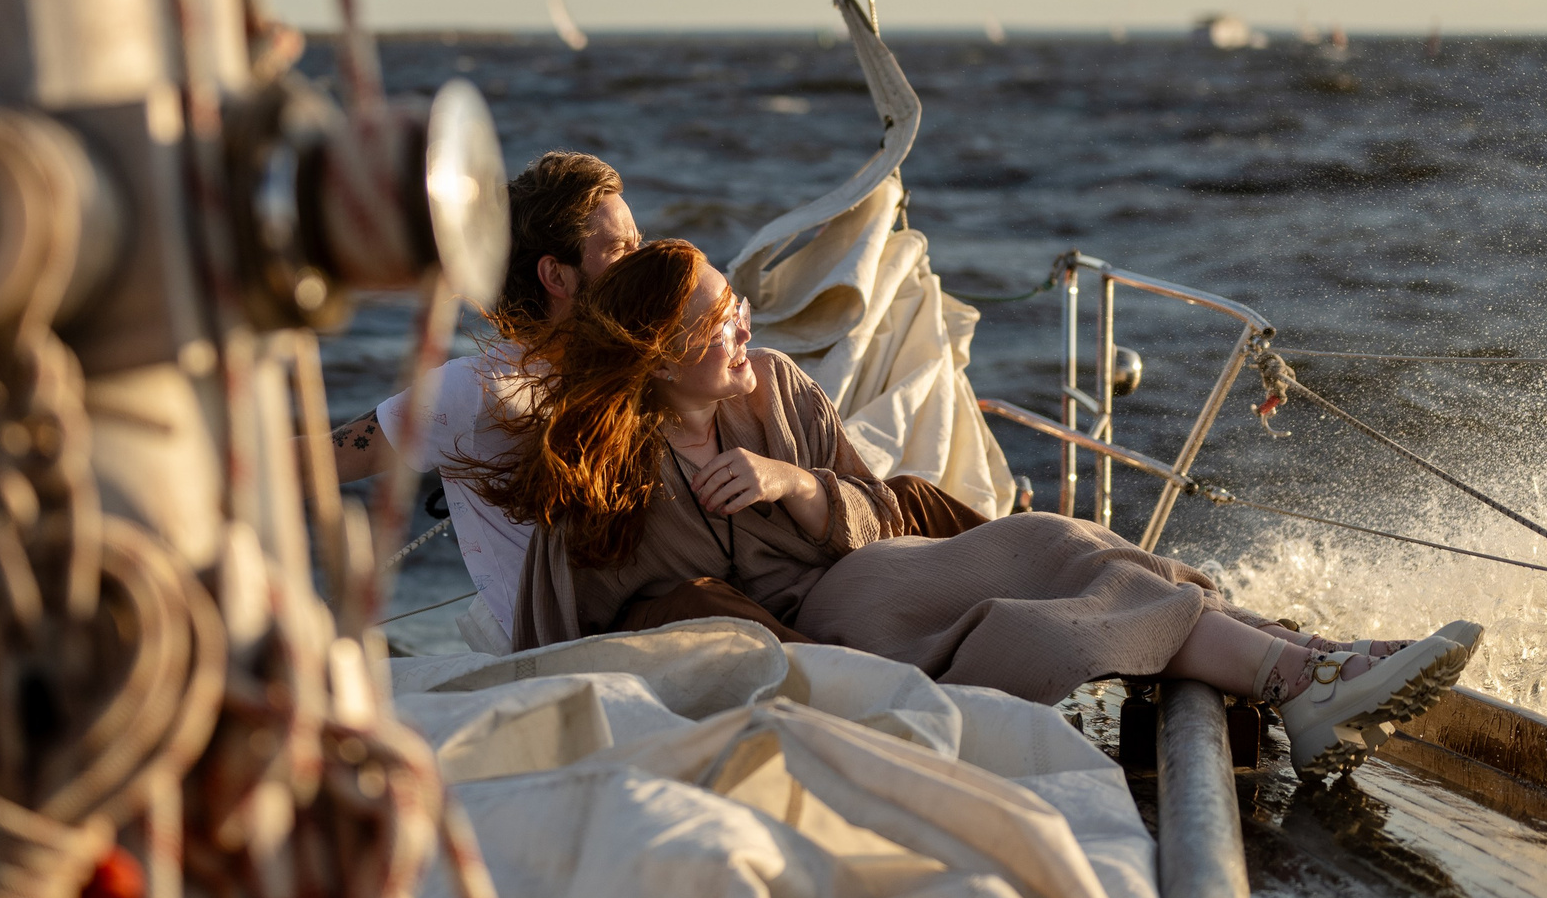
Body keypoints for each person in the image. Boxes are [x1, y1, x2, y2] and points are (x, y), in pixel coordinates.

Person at [482, 239, 1483, 774]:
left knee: (1069, 543)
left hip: (865, 571)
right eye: (719, 316)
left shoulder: (777, 385)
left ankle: (1303, 667)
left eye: (738, 300)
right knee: (1053, 554)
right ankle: (1306, 671)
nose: (744, 322)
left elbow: (875, 505)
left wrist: (796, 484)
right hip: (825, 633)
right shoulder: (618, 475)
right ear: (661, 353)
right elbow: (626, 625)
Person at [326, 149, 641, 640]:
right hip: (569, 644)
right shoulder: (475, 390)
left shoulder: (639, 367)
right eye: (621, 249)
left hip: (646, 609)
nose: (643, 263)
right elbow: (325, 462)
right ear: (556, 276)